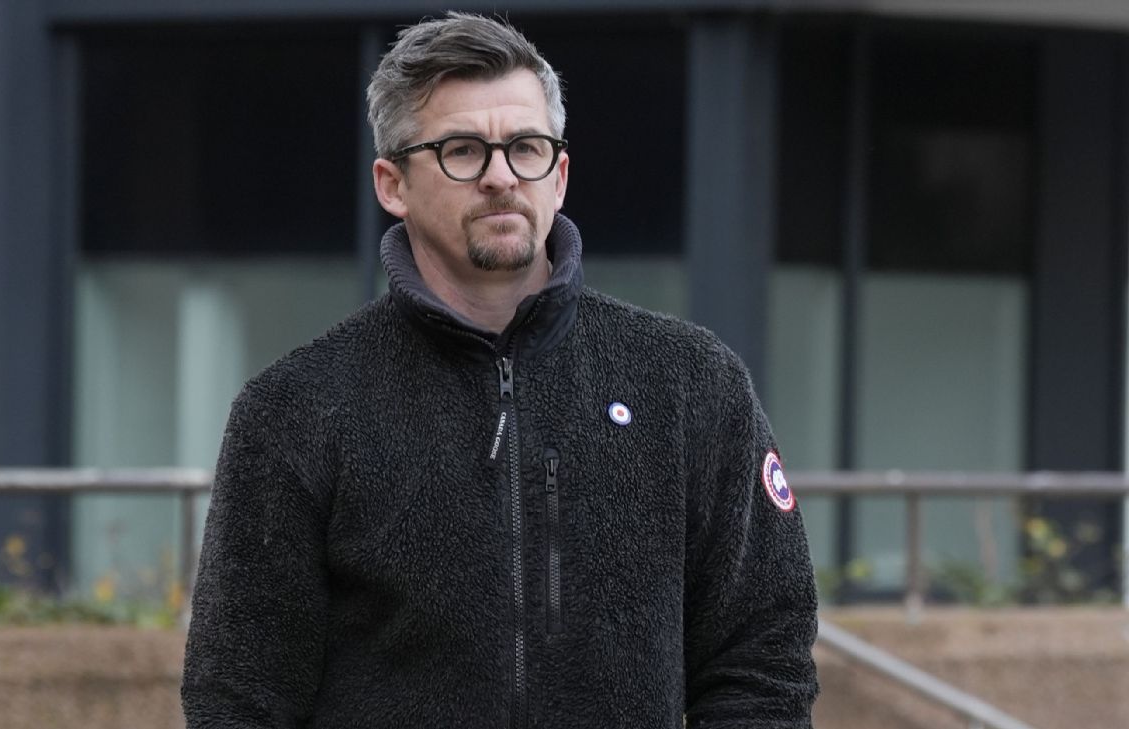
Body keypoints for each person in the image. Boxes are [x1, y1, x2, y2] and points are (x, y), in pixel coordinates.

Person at [182, 12, 818, 728]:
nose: (500, 176)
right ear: (392, 184)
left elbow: (763, 660)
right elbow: (239, 697)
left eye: (525, 148)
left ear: (560, 175)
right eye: (461, 151)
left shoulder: (692, 383)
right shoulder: (295, 410)